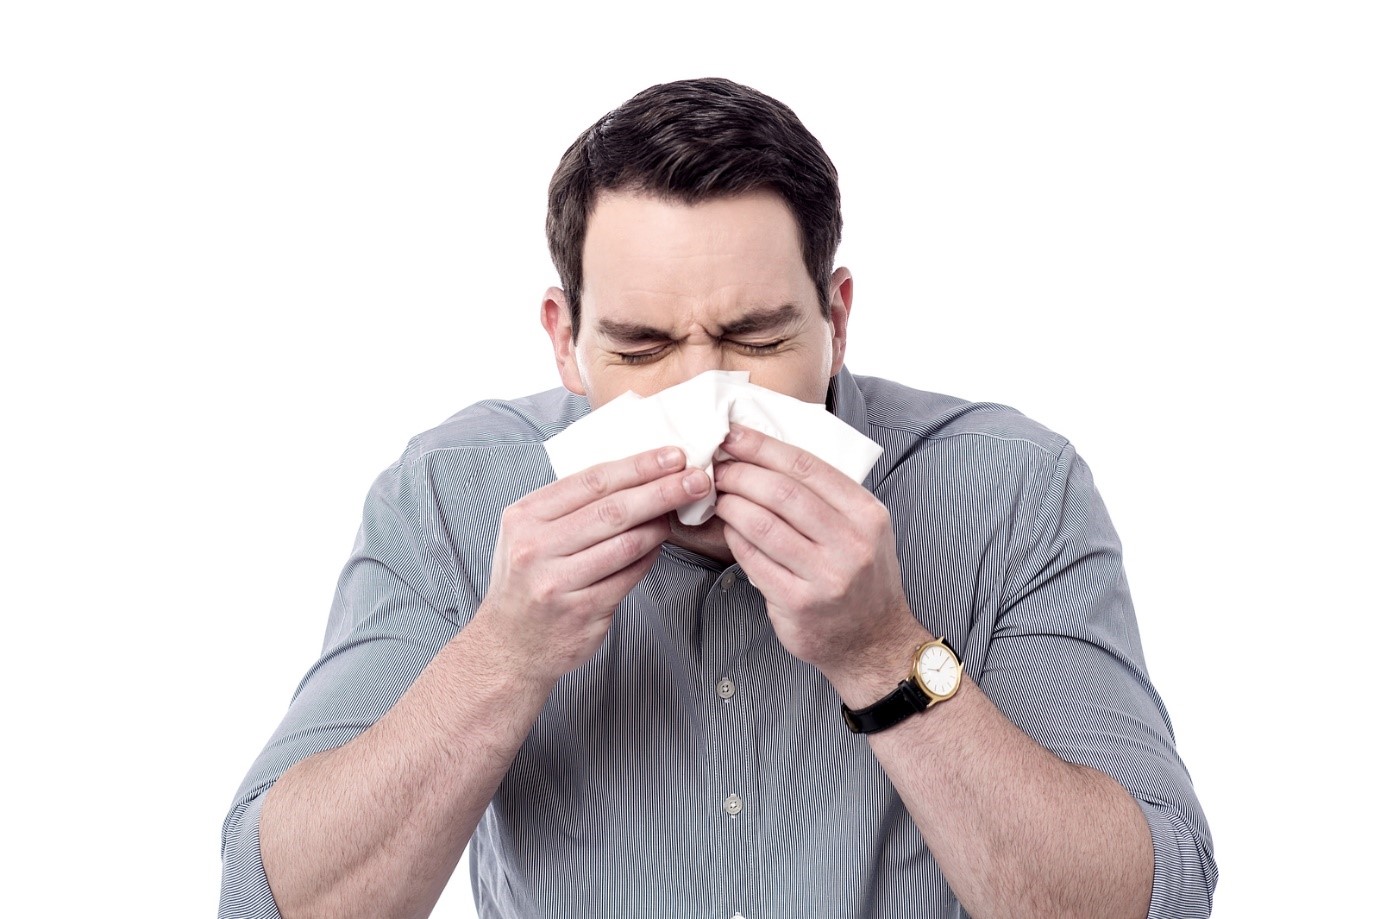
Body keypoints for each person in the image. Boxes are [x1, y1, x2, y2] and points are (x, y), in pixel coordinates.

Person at [221, 78, 1215, 918]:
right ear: (564, 338)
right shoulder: (449, 493)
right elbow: (275, 895)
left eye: (756, 338)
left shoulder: (1010, 485)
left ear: (835, 319)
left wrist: (885, 653)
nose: (703, 397)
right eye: (642, 348)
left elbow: (1151, 895)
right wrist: (503, 655)